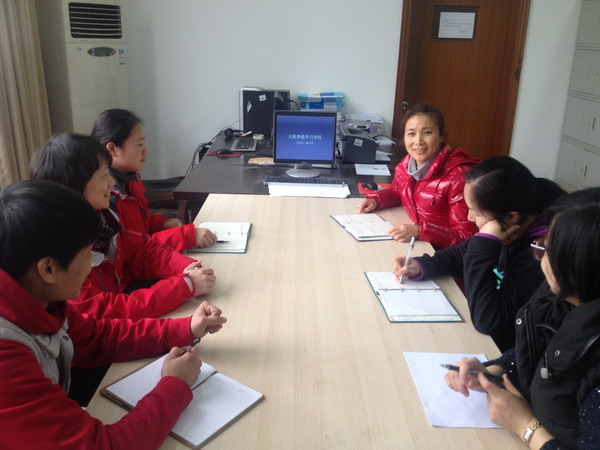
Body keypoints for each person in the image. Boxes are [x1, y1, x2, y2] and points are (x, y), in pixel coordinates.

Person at [0, 180, 227, 448]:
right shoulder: (7, 356)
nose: (92, 265)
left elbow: (96, 337)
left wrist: (185, 328)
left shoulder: (38, 298)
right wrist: (175, 384)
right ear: (48, 270)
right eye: (87, 254)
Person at [444, 187, 600, 449]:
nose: (540, 257)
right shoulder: (562, 297)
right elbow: (544, 352)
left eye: (547, 248)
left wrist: (526, 426)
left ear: (581, 263)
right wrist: (493, 370)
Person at [30, 133, 216, 321]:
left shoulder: (103, 220)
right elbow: (109, 313)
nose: (112, 182)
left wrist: (185, 268)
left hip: (125, 299)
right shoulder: (65, 257)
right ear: (75, 188)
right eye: (104, 175)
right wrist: (184, 286)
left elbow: (141, 251)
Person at [393, 156, 565, 351]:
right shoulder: (513, 226)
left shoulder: (541, 257)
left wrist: (485, 243)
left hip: (505, 350)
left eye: (477, 212)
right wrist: (424, 265)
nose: (469, 217)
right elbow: (462, 253)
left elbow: (488, 320)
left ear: (511, 216)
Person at [91, 108, 216, 252]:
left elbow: (140, 225)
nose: (146, 150)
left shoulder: (130, 179)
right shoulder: (106, 198)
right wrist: (186, 236)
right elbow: (131, 252)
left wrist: (162, 223)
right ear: (112, 149)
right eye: (139, 144)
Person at [357, 104, 479, 249]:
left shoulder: (459, 177)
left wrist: (420, 231)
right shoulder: (408, 162)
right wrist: (376, 200)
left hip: (444, 252)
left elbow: (466, 236)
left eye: (427, 133)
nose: (418, 141)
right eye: (411, 134)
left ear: (441, 136)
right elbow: (399, 191)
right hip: (421, 243)